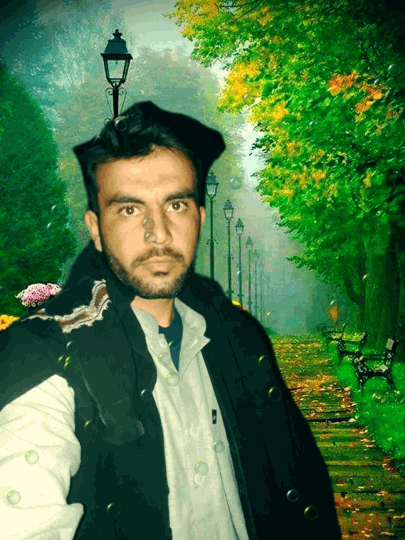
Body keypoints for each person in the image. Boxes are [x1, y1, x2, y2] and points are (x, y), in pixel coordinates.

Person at [0, 101, 341, 540]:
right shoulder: (47, 353)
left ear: (199, 218)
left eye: (176, 205)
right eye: (129, 209)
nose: (157, 232)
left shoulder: (240, 338)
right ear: (96, 229)